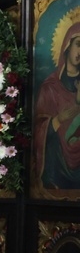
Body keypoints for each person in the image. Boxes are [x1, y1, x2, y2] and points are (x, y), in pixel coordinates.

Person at [33, 20, 80, 189]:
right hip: (57, 165)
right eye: (78, 44)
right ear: (67, 46)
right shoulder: (50, 87)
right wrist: (58, 120)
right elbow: (38, 129)